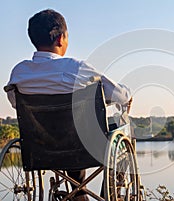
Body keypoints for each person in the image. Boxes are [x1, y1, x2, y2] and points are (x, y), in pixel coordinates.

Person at [5, 9, 132, 201]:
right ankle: (112, 193)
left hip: (40, 148)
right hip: (85, 147)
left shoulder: (19, 74)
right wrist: (127, 96)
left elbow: (16, 105)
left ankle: (78, 193)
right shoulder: (76, 68)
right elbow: (120, 96)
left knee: (65, 130)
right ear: (61, 38)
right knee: (120, 127)